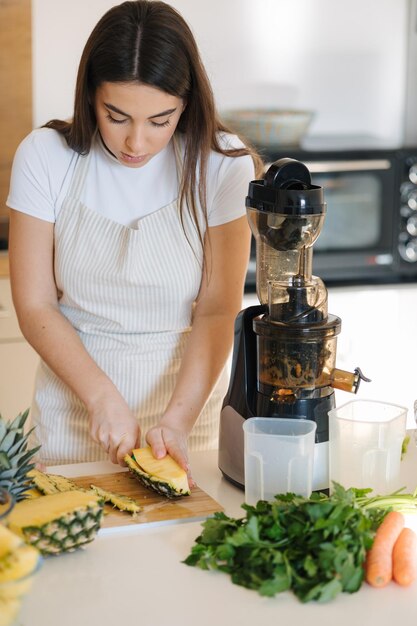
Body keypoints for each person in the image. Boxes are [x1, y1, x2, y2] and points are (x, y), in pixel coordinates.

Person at [7, 0, 263, 481]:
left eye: (160, 121)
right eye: (117, 115)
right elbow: (36, 305)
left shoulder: (224, 166)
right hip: (70, 421)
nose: (136, 143)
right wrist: (102, 399)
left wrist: (177, 422)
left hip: (187, 426)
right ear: (89, 96)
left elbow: (214, 309)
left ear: (186, 104)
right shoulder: (45, 156)